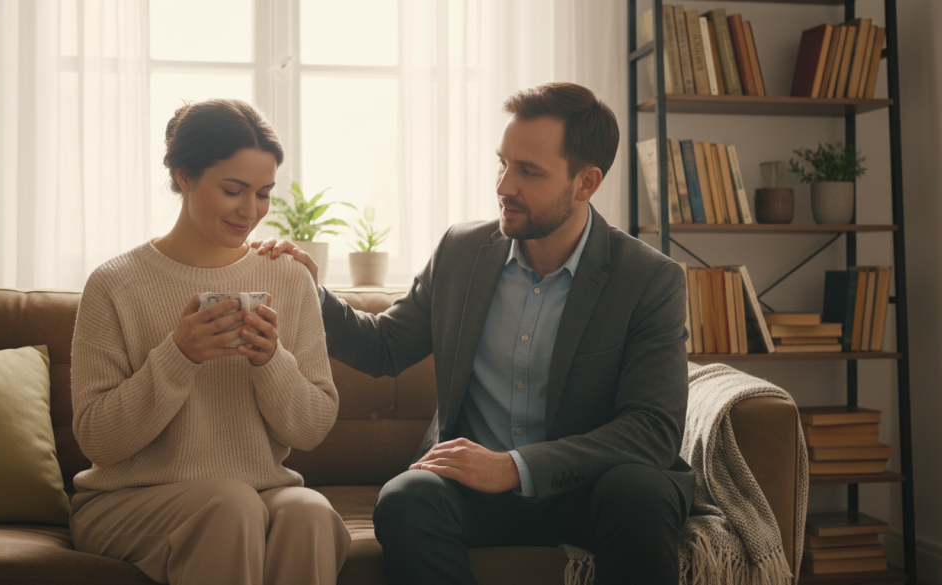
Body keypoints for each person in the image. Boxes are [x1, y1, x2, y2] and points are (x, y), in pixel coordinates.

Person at [256, 82, 694, 585]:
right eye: (502, 163)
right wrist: (314, 293)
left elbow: (652, 430)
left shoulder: (648, 278)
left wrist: (515, 466)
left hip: (590, 488)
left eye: (528, 171)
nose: (504, 185)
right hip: (474, 493)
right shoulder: (463, 251)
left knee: (644, 492)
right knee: (405, 499)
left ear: (586, 182)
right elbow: (386, 346)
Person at [69, 98, 350, 585]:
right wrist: (179, 357)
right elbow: (98, 439)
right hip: (128, 500)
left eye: (263, 193)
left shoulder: (287, 277)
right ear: (183, 176)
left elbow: (311, 429)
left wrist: (271, 362)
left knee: (310, 511)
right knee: (231, 505)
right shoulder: (114, 283)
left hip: (256, 490)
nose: (251, 211)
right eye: (234, 190)